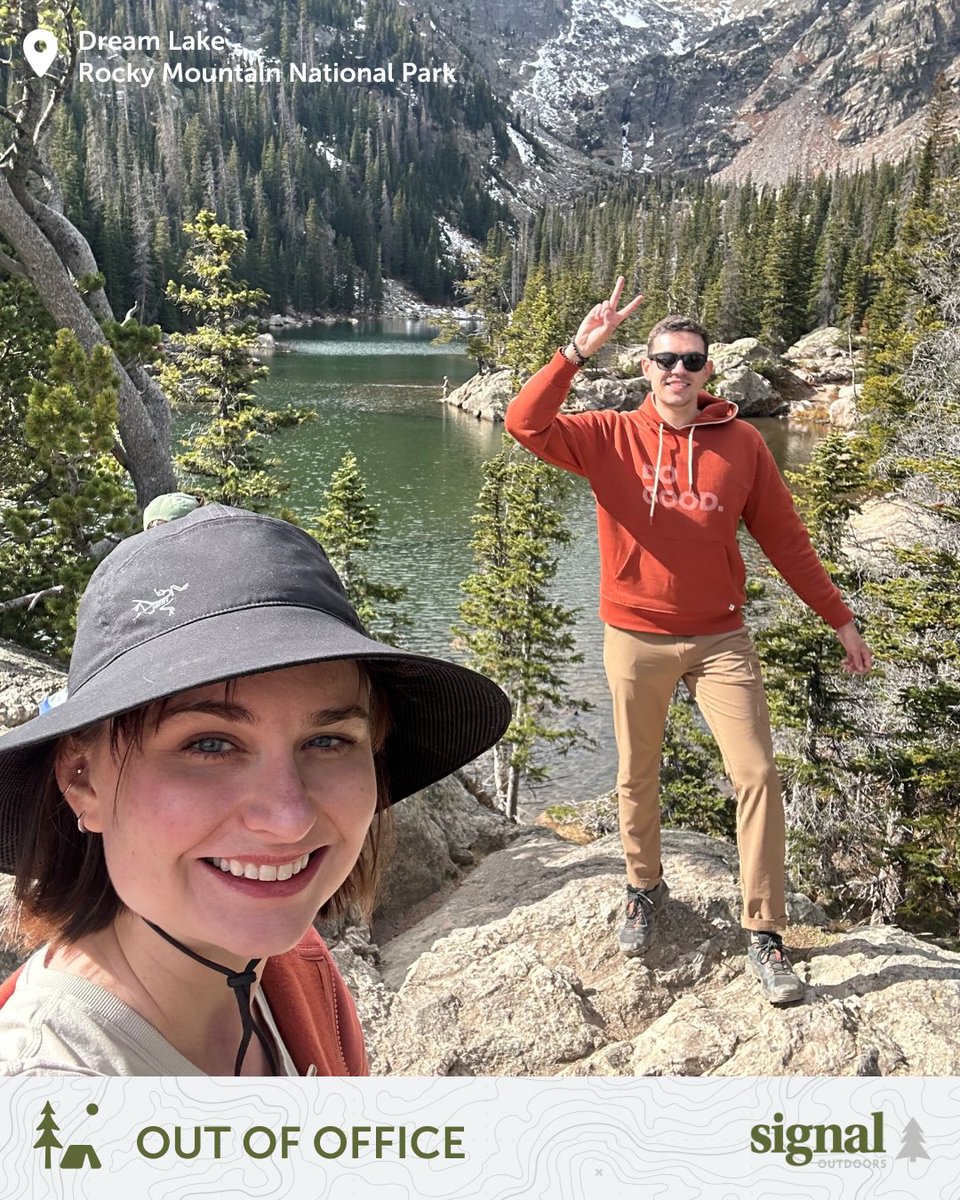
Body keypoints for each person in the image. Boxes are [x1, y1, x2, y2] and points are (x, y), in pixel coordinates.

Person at [0, 504, 510, 1074]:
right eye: (210, 745)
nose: (289, 818)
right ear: (82, 780)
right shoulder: (54, 1084)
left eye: (328, 741)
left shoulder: (291, 970)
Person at [504, 277, 872, 1004]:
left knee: (757, 774)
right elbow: (523, 423)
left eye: (691, 361)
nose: (678, 371)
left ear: (709, 371)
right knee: (638, 773)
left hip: (721, 641)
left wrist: (839, 618)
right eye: (665, 359)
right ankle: (643, 888)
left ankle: (764, 933)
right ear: (645, 367)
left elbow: (787, 542)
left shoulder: (742, 447)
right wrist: (577, 351)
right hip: (634, 637)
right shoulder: (607, 436)